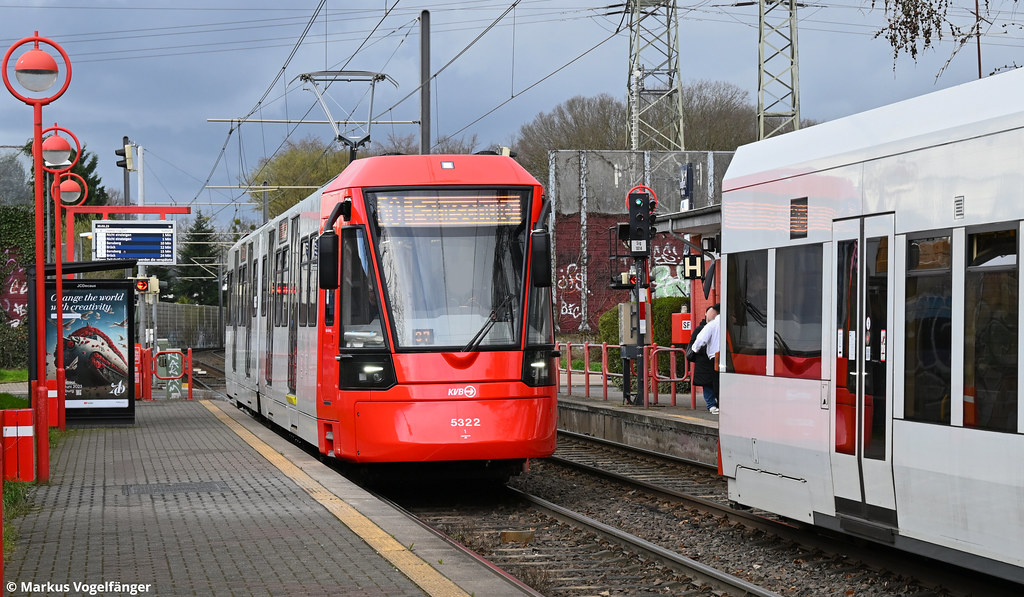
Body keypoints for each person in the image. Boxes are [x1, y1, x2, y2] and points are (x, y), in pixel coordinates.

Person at [688, 303, 721, 414]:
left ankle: (714, 405)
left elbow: (699, 342)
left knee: (715, 382)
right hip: (726, 356)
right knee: (719, 382)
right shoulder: (730, 323)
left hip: (713, 357)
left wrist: (695, 350)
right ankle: (717, 404)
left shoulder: (711, 325)